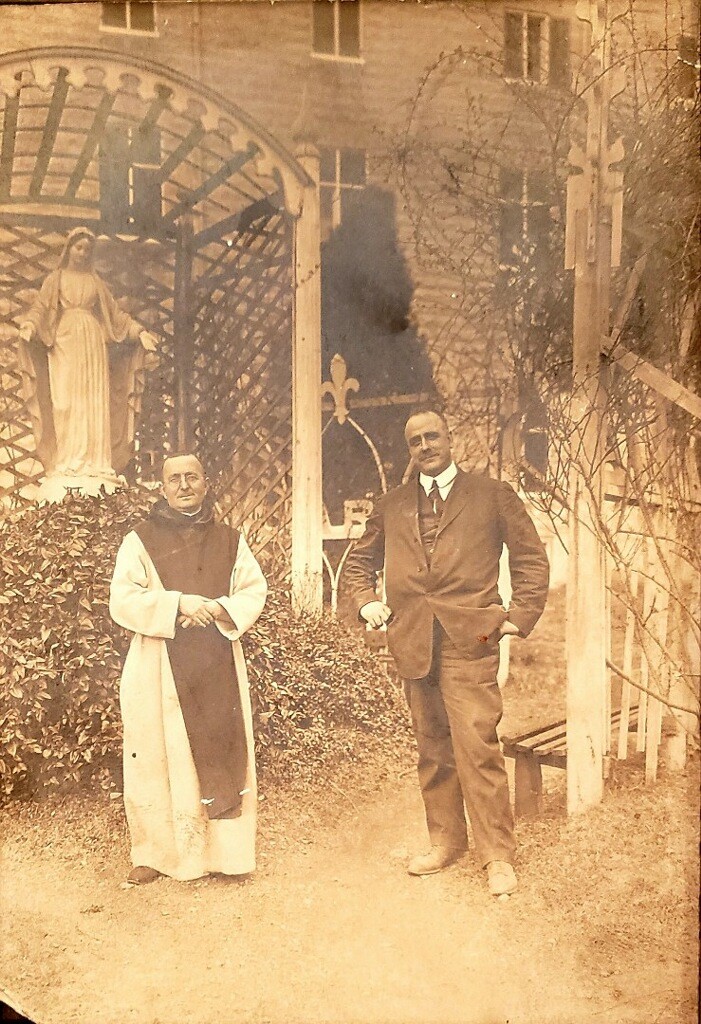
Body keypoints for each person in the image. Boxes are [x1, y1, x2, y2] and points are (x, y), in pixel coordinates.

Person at [344, 406, 549, 896]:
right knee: (432, 748)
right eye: (415, 441)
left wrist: (517, 618)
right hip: (413, 639)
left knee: (477, 746)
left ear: (450, 439)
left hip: (471, 638)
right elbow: (357, 565)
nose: (425, 447)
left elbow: (530, 559)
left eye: (432, 436)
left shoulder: (491, 494)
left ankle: (497, 855)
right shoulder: (392, 505)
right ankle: (446, 840)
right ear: (408, 451)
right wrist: (367, 602)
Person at [109, 453, 267, 884]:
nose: (183, 486)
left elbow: (253, 590)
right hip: (160, 663)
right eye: (174, 479)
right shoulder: (139, 540)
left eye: (192, 477)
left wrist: (216, 607)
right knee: (161, 754)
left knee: (220, 745)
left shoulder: (231, 540)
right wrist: (178, 603)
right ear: (162, 488)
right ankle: (156, 855)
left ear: (205, 482)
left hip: (217, 659)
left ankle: (228, 856)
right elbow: (122, 599)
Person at [17, 226, 158, 485]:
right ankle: (68, 461)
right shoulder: (56, 279)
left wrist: (140, 333)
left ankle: (95, 462)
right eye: (78, 247)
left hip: (93, 345)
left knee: (93, 401)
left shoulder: (96, 283)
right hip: (64, 344)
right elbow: (40, 308)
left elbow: (117, 317)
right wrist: (29, 326)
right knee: (66, 403)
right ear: (69, 248)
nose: (82, 253)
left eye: (87, 249)